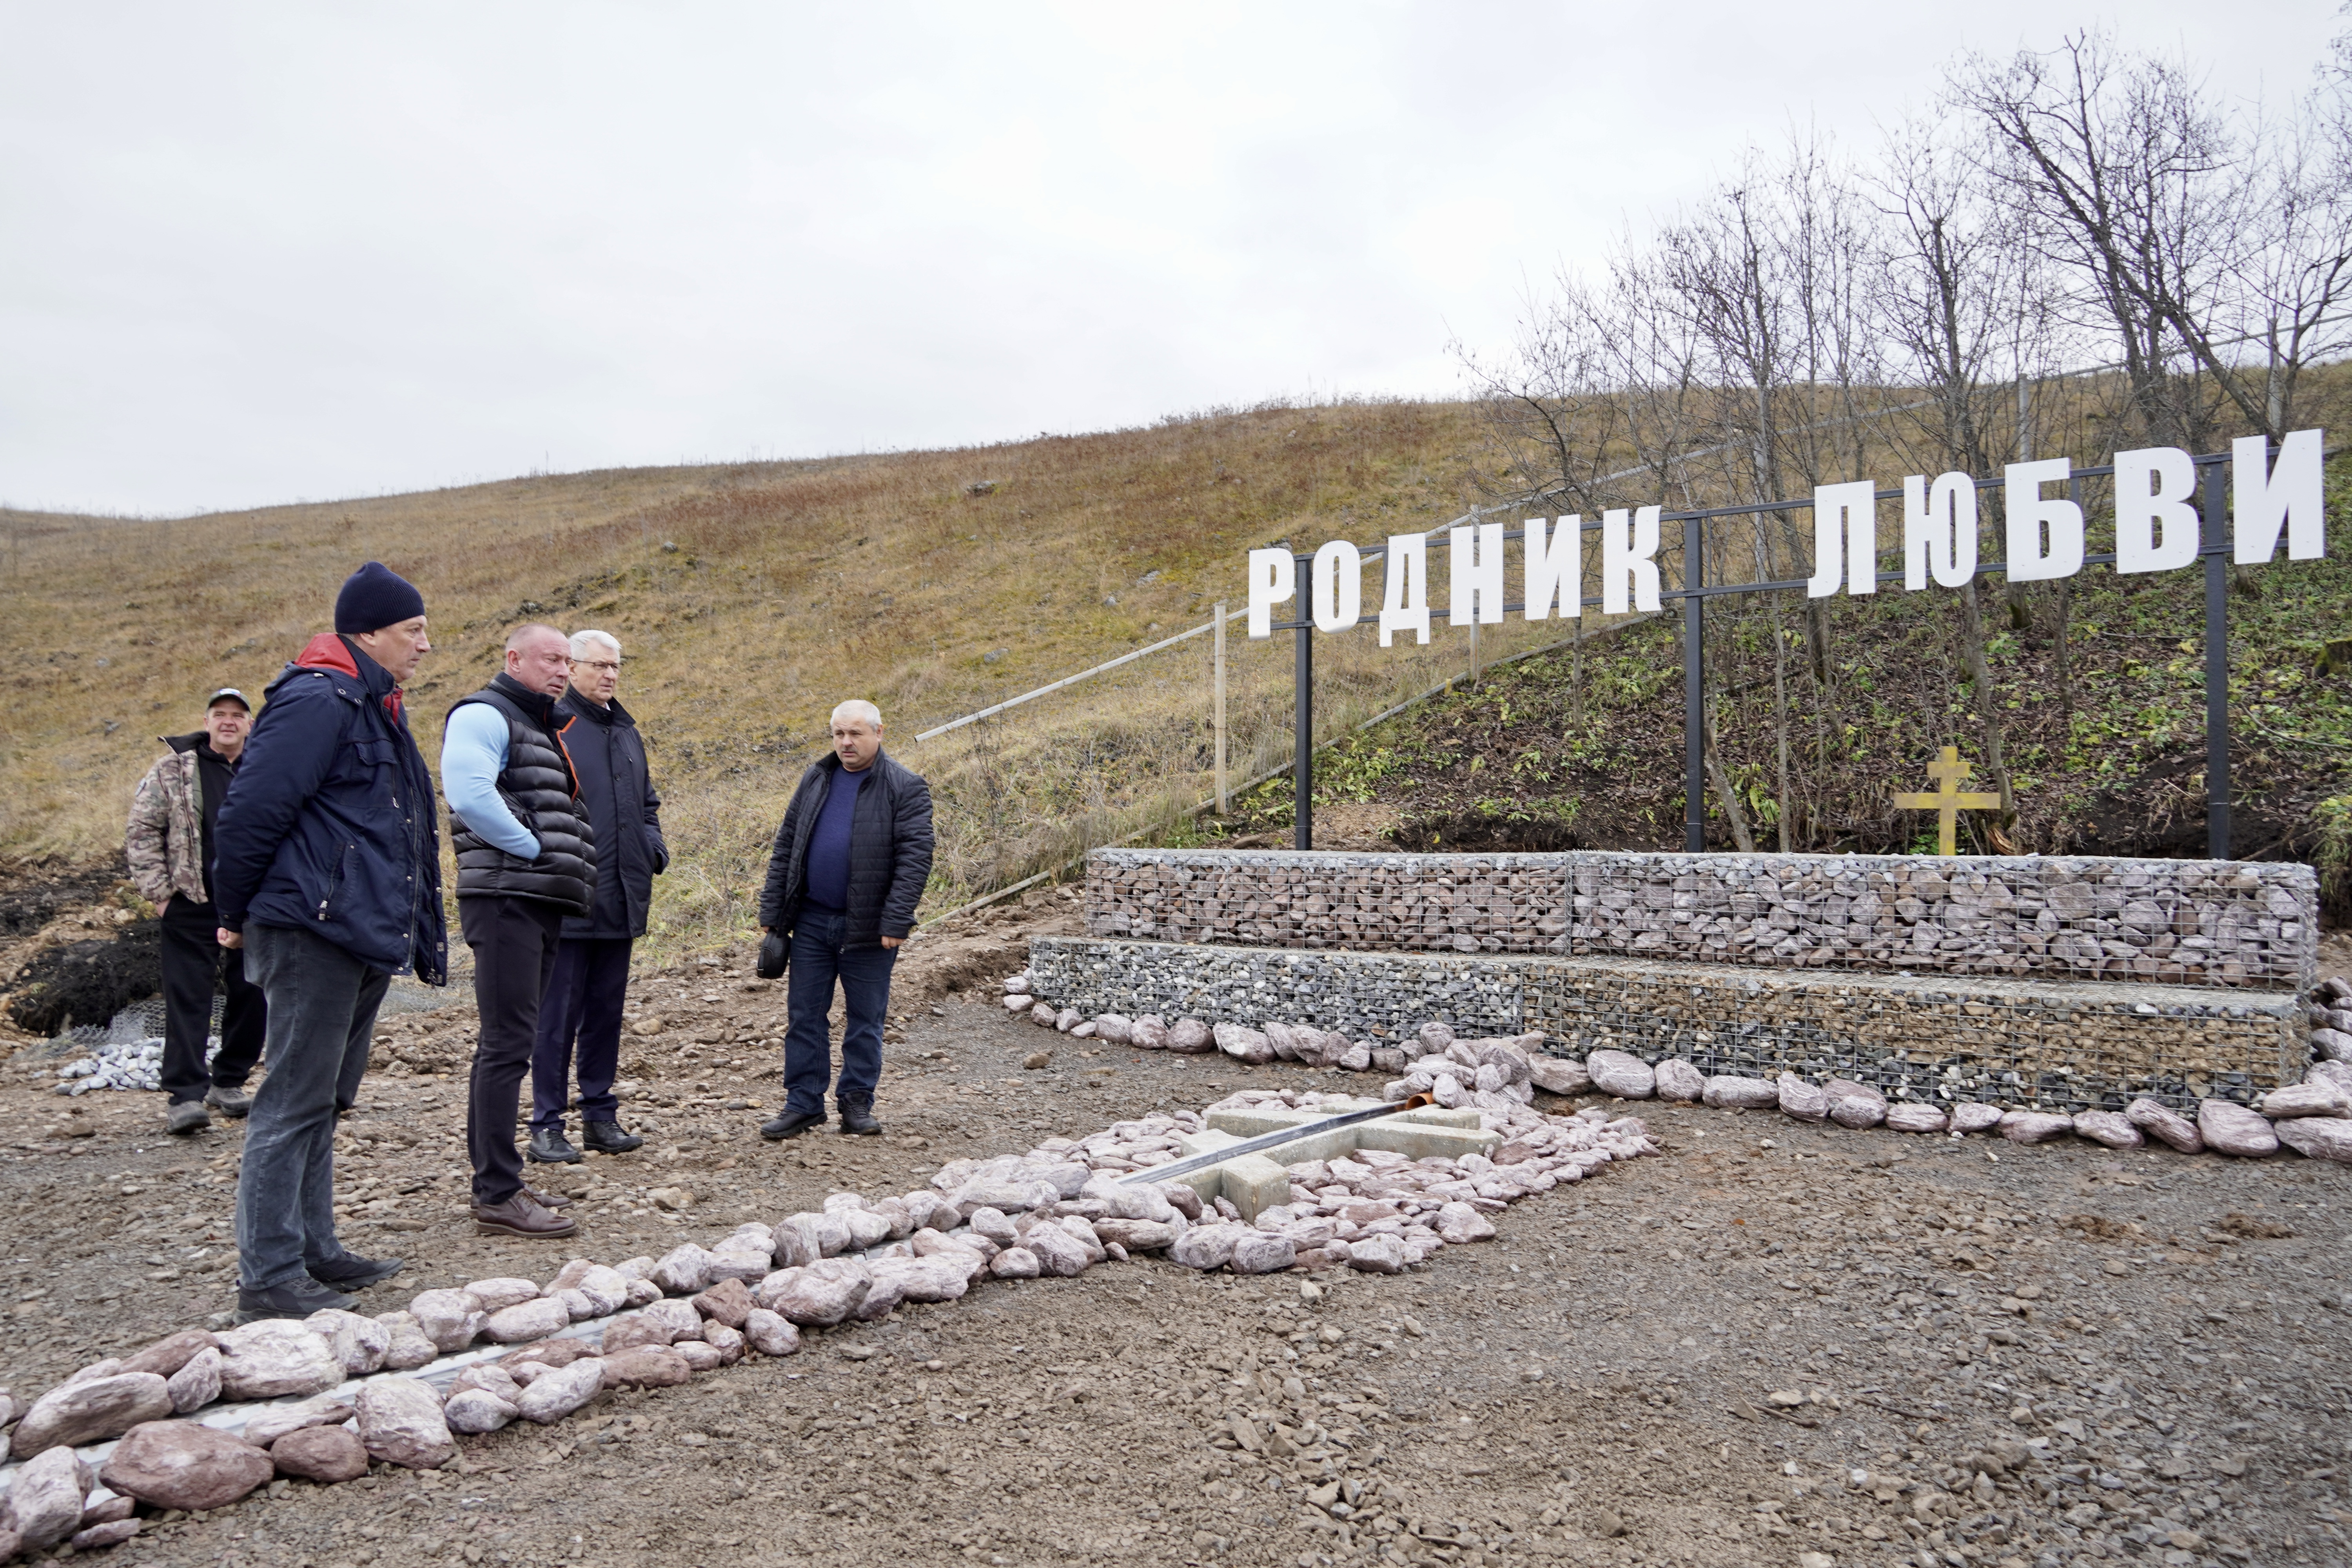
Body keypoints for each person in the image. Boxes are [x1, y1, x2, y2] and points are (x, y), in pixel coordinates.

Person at [211, 563, 445, 1320]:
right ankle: (270, 1277)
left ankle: (316, 1250)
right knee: (291, 1099)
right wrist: (233, 911)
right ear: (370, 632)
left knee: (324, 1100)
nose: (425, 644)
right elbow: (251, 810)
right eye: (414, 630)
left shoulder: (374, 704)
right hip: (311, 928)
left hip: (359, 929)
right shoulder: (318, 699)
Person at [443, 623, 595, 1237]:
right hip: (507, 896)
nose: (562, 670)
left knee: (513, 1041)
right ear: (514, 659)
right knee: (506, 1044)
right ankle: (497, 1194)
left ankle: (501, 1182)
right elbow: (470, 794)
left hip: (531, 899)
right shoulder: (485, 714)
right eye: (551, 659)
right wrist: (532, 849)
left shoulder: (534, 721)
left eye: (567, 660)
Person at [755, 700, 933, 1140]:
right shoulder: (816, 778)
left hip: (871, 928)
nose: (846, 743)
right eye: (838, 734)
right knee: (805, 1015)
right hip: (813, 921)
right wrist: (774, 912)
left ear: (879, 732)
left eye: (855, 734)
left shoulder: (905, 786)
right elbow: (787, 846)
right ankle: (803, 1104)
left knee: (865, 1019)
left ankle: (856, 1103)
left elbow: (916, 859)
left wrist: (896, 920)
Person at [527, 629, 665, 1164]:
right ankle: (546, 1124)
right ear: (573, 668)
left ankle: (600, 1117)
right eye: (598, 666)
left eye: (616, 667)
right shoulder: (553, 727)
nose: (609, 675)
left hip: (623, 896)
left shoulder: (627, 732)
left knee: (606, 1013)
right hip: (568, 899)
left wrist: (652, 848)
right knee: (557, 1018)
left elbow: (647, 803)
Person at [125, 688, 268, 1136]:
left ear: (250, 724)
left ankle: (228, 1082)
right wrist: (160, 895)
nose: (228, 722)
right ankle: (185, 1096)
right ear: (207, 722)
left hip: (253, 904)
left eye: (237, 716)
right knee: (189, 997)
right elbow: (143, 828)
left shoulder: (267, 767)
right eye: (220, 714)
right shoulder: (173, 769)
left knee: (254, 993)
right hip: (190, 901)